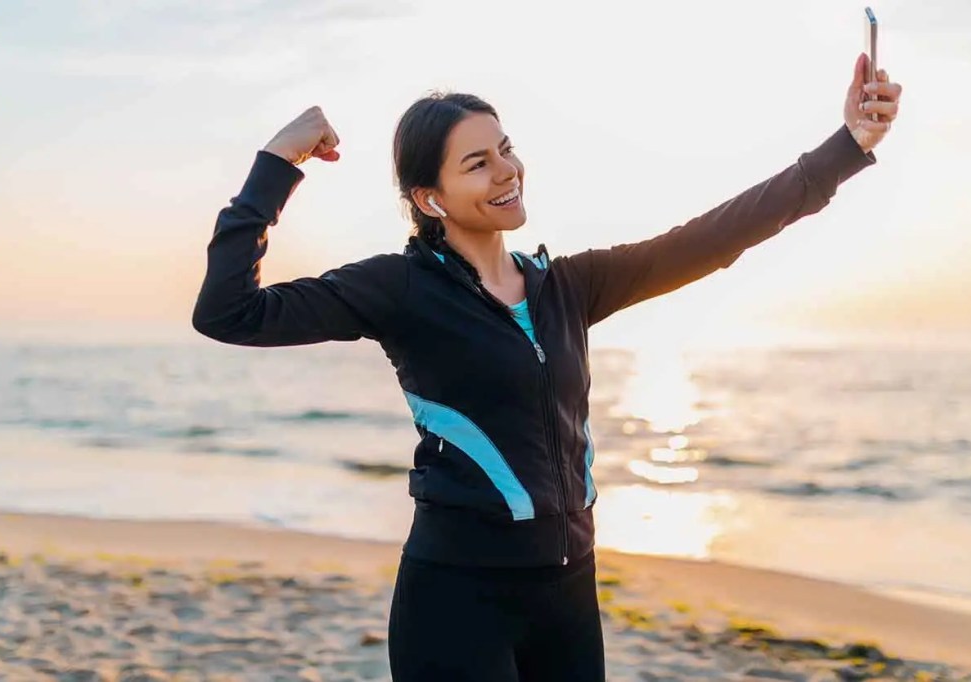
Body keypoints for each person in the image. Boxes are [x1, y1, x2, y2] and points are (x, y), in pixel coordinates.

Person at [192, 52, 902, 682]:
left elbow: (716, 236)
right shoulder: (398, 290)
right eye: (477, 163)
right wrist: (277, 165)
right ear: (429, 200)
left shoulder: (566, 288)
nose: (506, 171)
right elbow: (229, 313)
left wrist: (850, 145)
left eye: (504, 149)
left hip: (566, 591)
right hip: (456, 598)